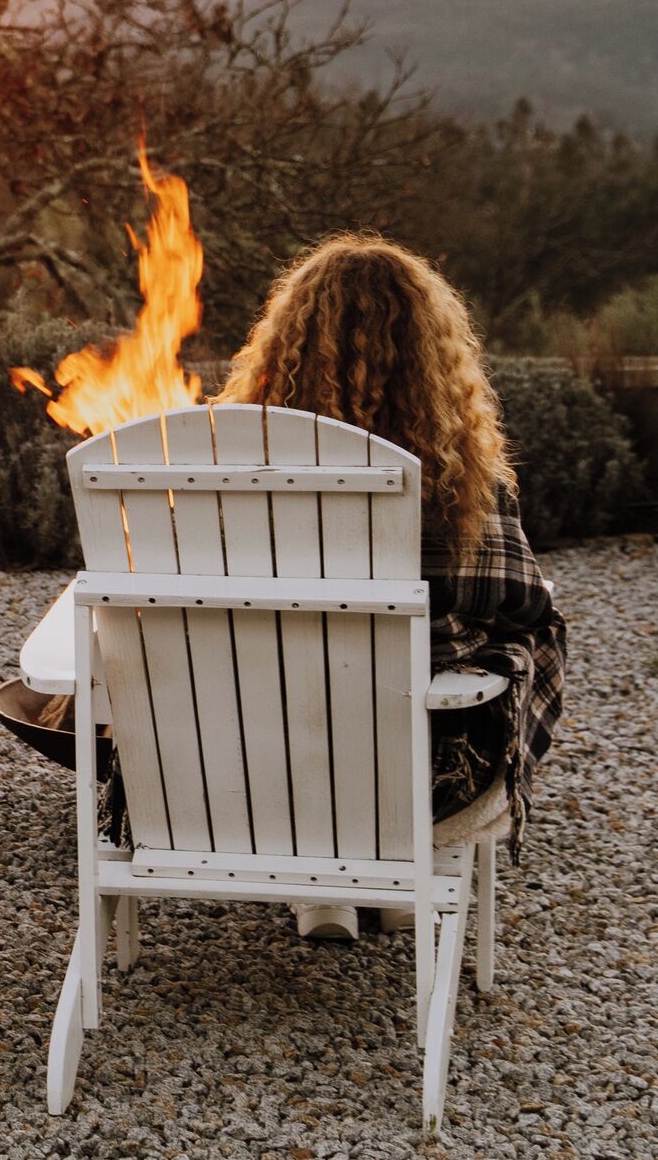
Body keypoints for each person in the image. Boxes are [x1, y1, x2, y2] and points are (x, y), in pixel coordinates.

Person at [217, 234, 566, 884]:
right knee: (529, 631)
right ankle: (368, 872)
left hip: (225, 770)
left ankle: (323, 894)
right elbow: (521, 603)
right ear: (430, 356)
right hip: (412, 784)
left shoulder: (226, 474)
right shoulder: (457, 488)